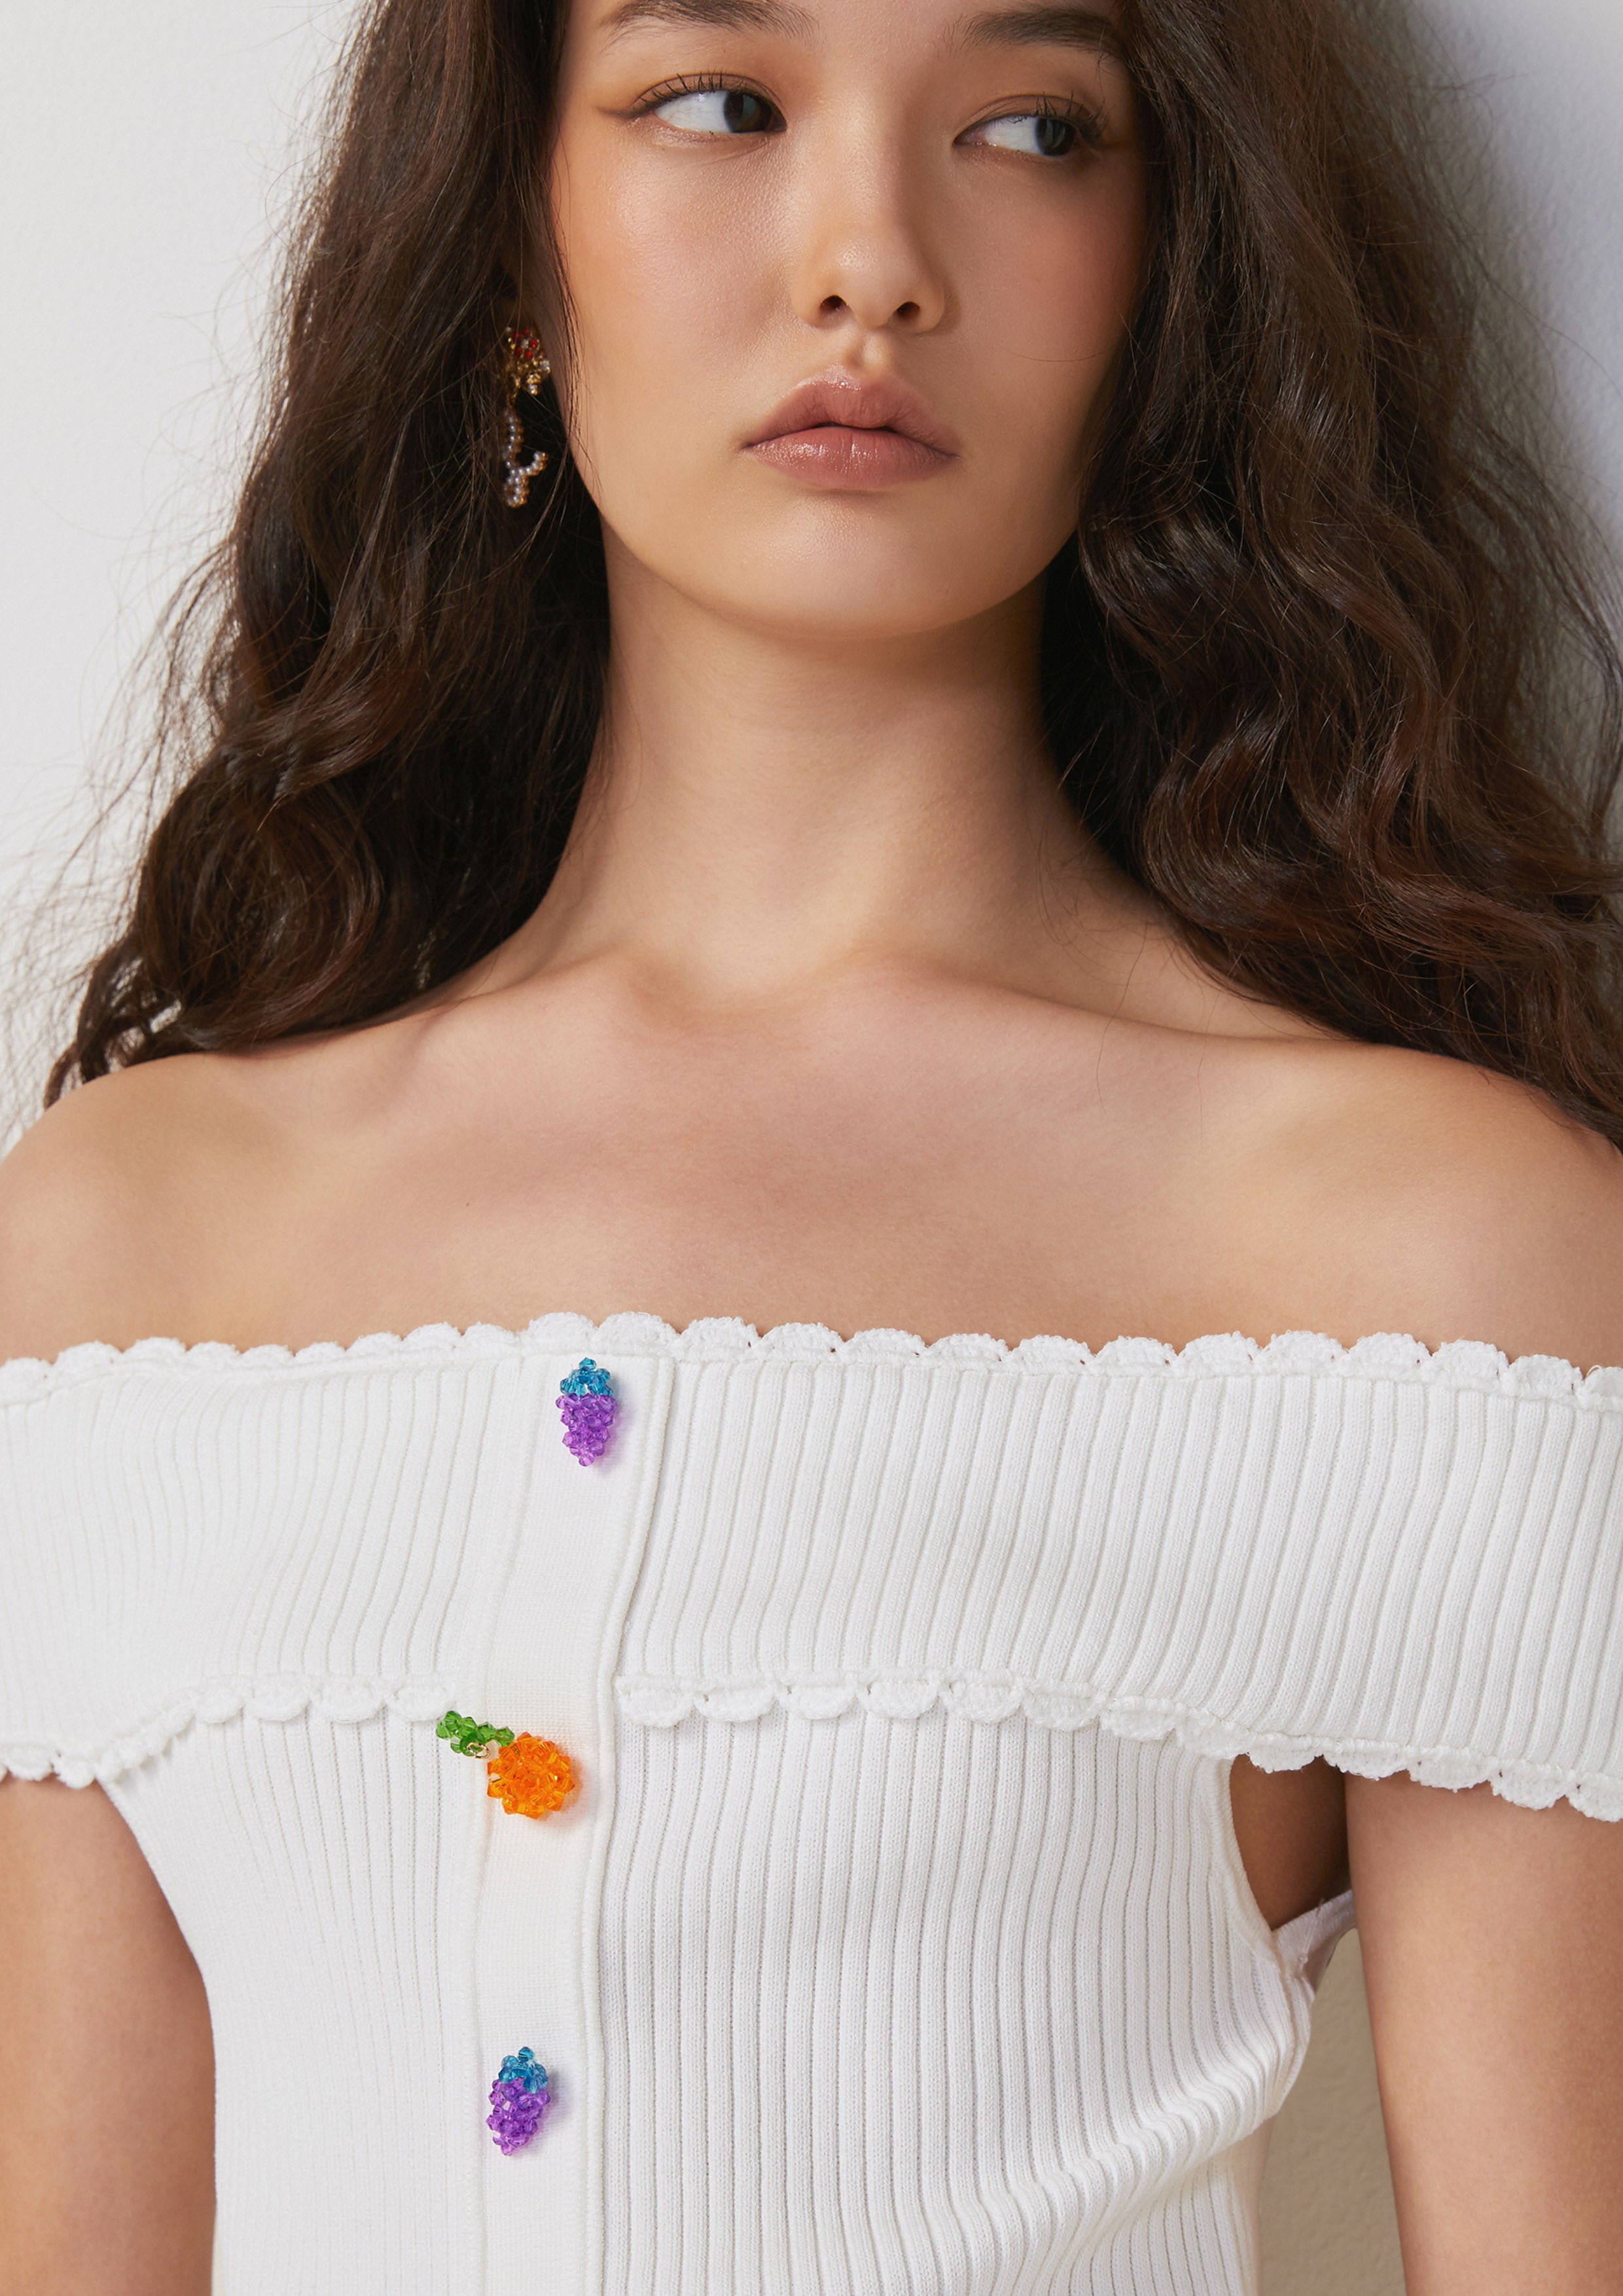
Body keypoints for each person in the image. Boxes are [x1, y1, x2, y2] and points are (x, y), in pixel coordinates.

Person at [3, 0, 1622, 2288]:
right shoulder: (122, 1258)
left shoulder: (1427, 1255)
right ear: (508, 248)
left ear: (1166, 277)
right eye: (721, 104)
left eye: (1034, 129)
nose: (871, 259)